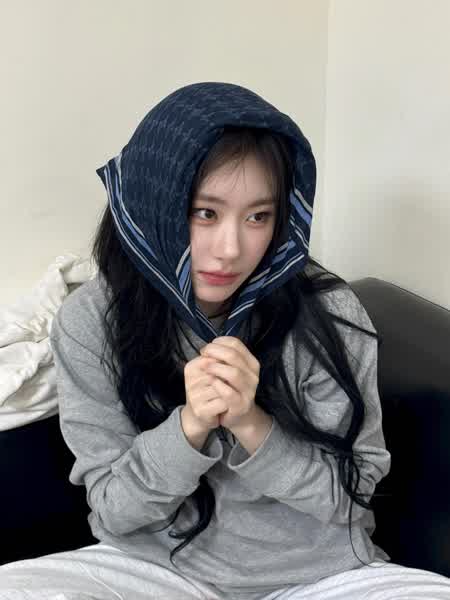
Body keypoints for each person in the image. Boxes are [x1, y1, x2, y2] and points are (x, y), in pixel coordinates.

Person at [1, 82, 449, 600]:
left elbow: (352, 500)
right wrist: (189, 426)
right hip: (153, 567)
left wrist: (252, 425)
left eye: (259, 216)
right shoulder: (92, 322)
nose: (231, 249)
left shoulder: (330, 314)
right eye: (204, 212)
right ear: (152, 203)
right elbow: (114, 511)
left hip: (320, 574)